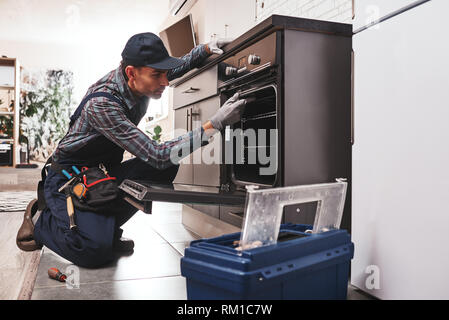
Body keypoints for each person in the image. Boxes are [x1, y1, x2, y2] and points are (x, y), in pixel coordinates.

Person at [18, 32, 247, 268]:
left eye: (164, 73)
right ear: (131, 72)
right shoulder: (103, 105)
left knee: (169, 163)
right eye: (157, 75)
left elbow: (173, 70)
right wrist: (213, 125)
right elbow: (157, 155)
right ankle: (41, 220)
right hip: (67, 179)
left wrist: (206, 49)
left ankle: (106, 229)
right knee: (93, 251)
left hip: (101, 173)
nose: (165, 83)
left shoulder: (141, 79)